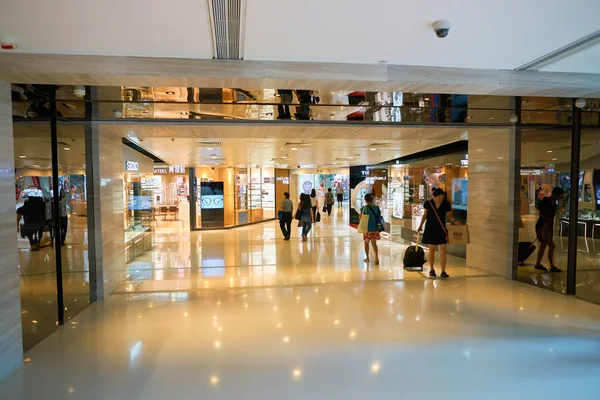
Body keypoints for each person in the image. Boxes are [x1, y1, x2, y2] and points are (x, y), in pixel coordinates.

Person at [418, 188, 457, 278]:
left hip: (441, 229)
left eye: (442, 197)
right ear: (435, 196)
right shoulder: (428, 203)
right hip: (430, 228)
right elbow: (425, 215)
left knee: (443, 248)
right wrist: (420, 226)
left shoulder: (445, 204)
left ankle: (443, 271)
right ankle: (432, 269)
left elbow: (449, 216)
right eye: (440, 197)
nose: (441, 199)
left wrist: (455, 221)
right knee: (431, 249)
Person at [534, 187, 566, 272]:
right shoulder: (546, 201)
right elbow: (541, 214)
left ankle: (539, 264)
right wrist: (548, 220)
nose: (559, 198)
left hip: (548, 226)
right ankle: (551, 265)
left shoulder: (553, 203)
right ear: (555, 194)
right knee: (551, 245)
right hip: (543, 226)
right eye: (559, 196)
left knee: (543, 246)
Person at [359, 193, 382, 265]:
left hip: (367, 229)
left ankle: (367, 258)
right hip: (375, 228)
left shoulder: (364, 208)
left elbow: (360, 217)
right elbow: (379, 217)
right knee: (374, 244)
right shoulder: (377, 208)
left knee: (366, 243)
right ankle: (377, 257)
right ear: (372, 200)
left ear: (365, 200)